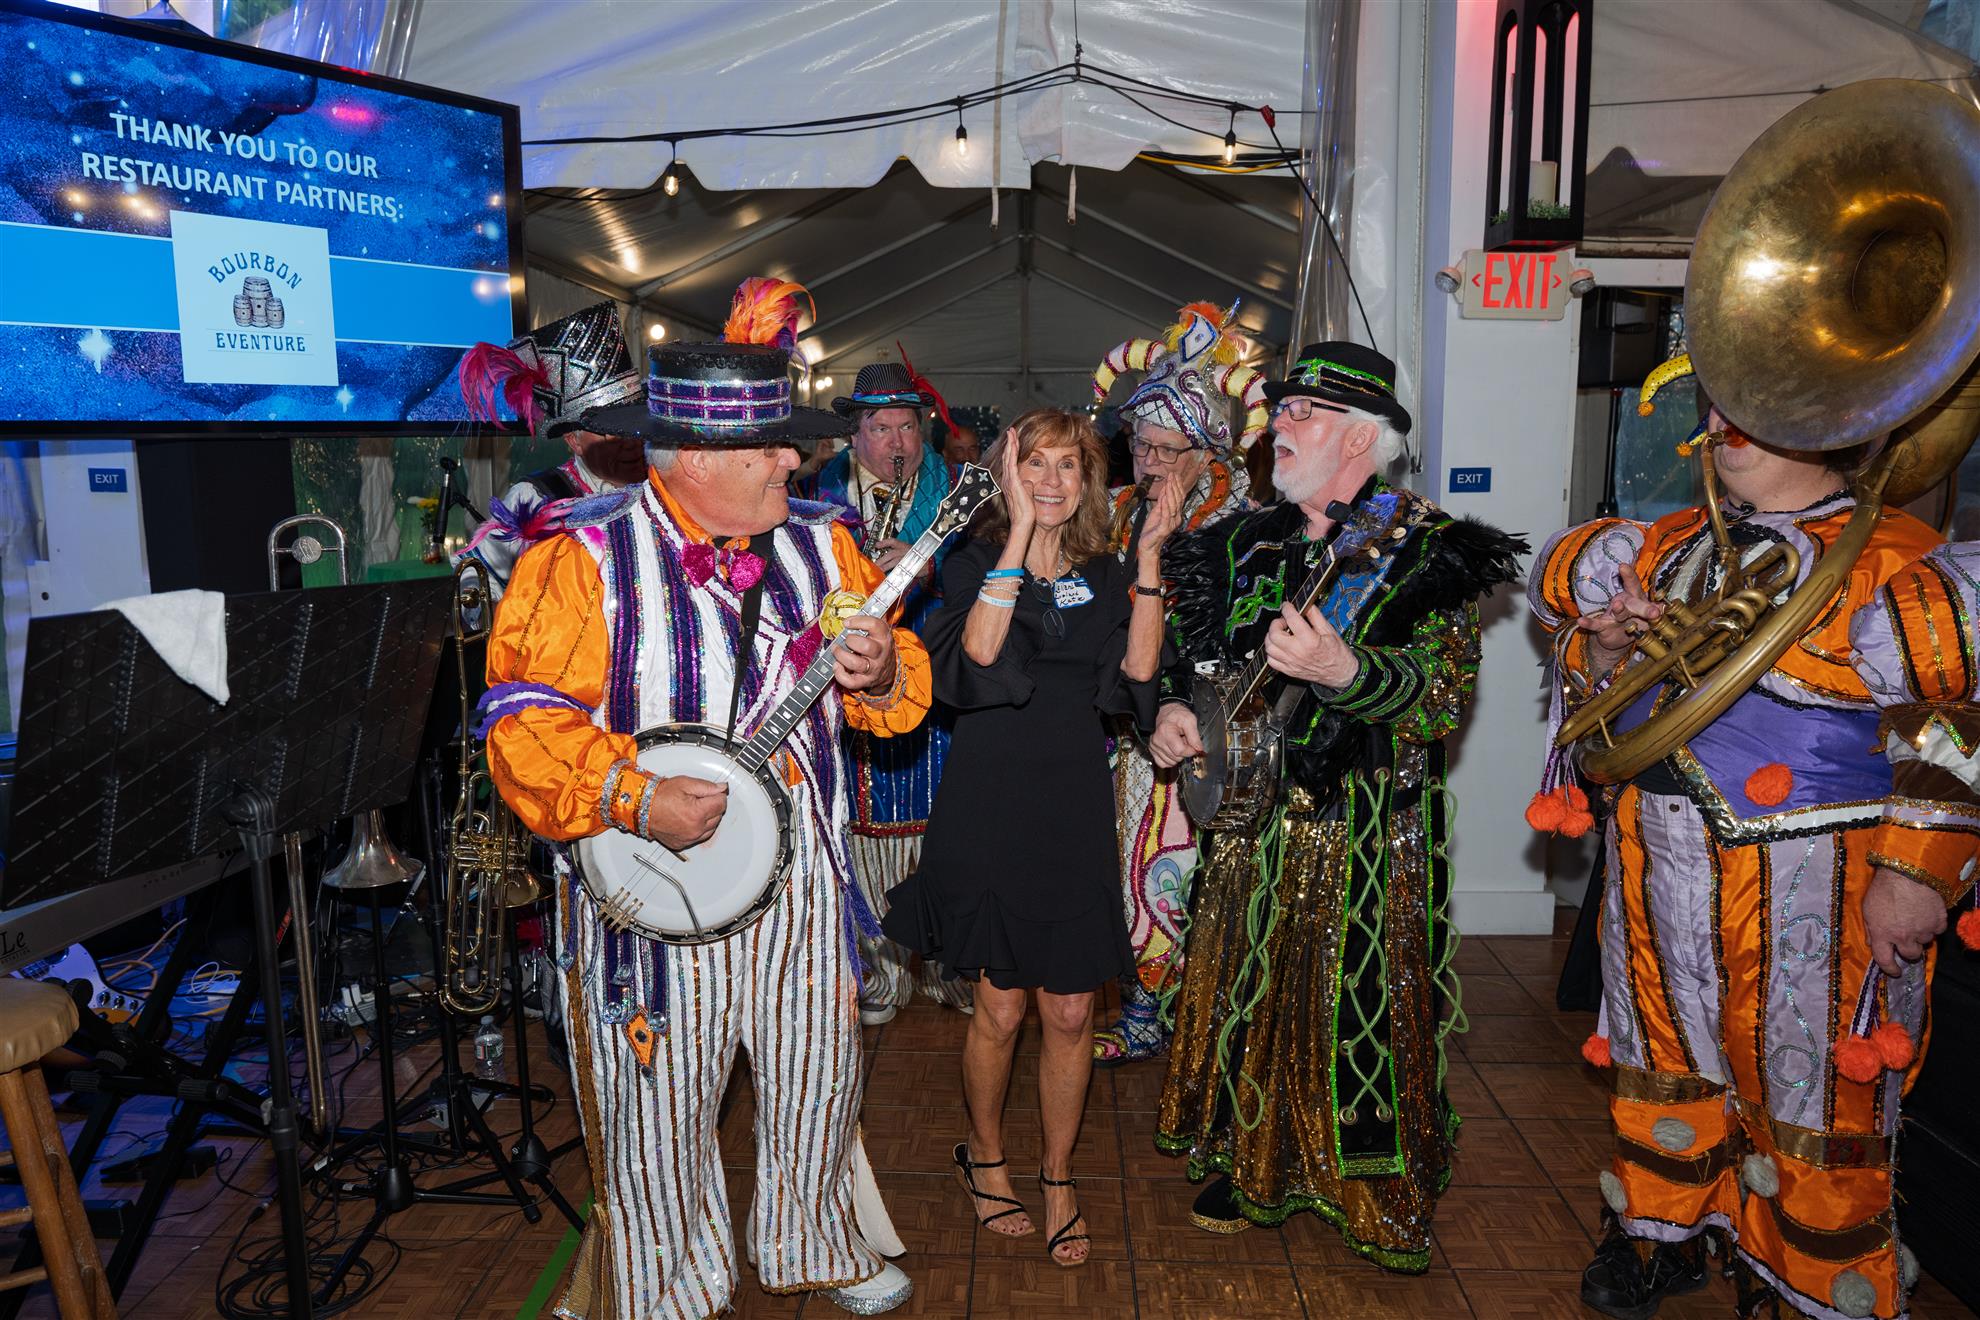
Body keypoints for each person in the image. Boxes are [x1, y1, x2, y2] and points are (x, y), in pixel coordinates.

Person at [481, 277, 926, 1317]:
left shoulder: (826, 545)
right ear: (693, 459)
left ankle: (814, 1241)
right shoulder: (577, 560)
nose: (794, 461)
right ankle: (667, 1283)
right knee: (657, 1102)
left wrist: (879, 674)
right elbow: (522, 723)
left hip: (804, 880)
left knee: (818, 1072)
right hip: (652, 892)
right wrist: (633, 796)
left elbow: (894, 692)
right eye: (770, 448)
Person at [1529, 352, 1980, 1320]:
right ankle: (1661, 1230)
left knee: (1808, 1084)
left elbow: (1954, 733)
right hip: (1655, 859)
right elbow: (1596, 699)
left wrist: (1916, 874)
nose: (1721, 421)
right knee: (1662, 1052)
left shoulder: (1897, 559)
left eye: (1757, 403)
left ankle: (1817, 1278)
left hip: (1818, 879)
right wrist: (1604, 646)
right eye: (1718, 401)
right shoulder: (1664, 544)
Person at [1149, 343, 1526, 1269]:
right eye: (1281, 410)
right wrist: (1172, 711)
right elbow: (1194, 664)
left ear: (1362, 436)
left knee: (1355, 1005)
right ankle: (1249, 1154)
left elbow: (1441, 696)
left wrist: (1346, 671)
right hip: (1246, 824)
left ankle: (1366, 1181)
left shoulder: (1426, 551)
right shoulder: (1239, 542)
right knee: (1244, 989)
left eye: (1301, 413)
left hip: (1360, 827)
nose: (1277, 425)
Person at [882, 409, 1180, 1267]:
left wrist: (1149, 559)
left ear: (1089, 480)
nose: (1052, 480)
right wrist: (1017, 532)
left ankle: (1057, 1175)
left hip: (1072, 802)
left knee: (1074, 1008)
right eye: (1035, 463)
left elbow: (1138, 675)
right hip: (989, 802)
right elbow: (978, 656)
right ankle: (985, 1155)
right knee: (1002, 1006)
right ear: (1010, 473)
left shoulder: (1107, 571)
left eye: (1068, 465)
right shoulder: (973, 560)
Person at [1085, 301, 1261, 1066]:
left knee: (1194, 879)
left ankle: (1203, 1019)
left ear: (1208, 447)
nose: (1148, 461)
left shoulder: (1244, 526)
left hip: (1208, 737)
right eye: (1139, 443)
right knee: (1131, 875)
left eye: (1164, 448)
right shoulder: (1115, 513)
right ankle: (1143, 1009)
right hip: (1126, 732)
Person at [799, 357, 973, 1024]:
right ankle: (882, 968)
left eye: (907, 427)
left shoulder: (956, 489)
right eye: (881, 428)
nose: (898, 442)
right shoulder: (816, 493)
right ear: (854, 434)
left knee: (945, 818)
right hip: (848, 684)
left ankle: (947, 968)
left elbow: (988, 576)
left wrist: (932, 568)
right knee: (861, 822)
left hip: (934, 675)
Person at [454, 301, 648, 599]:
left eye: (634, 423)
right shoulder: (537, 498)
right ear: (573, 440)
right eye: (610, 429)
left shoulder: (663, 482)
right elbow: (475, 574)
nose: (631, 440)